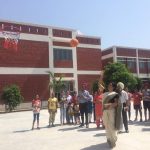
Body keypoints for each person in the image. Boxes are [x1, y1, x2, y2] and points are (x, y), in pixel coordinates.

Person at [103, 82, 121, 148]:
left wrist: (109, 106)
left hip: (111, 111)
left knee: (111, 125)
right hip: (105, 111)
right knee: (106, 125)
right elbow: (103, 103)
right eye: (108, 85)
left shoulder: (115, 94)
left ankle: (113, 140)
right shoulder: (105, 93)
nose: (109, 86)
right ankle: (109, 138)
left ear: (113, 87)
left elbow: (116, 103)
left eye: (110, 85)